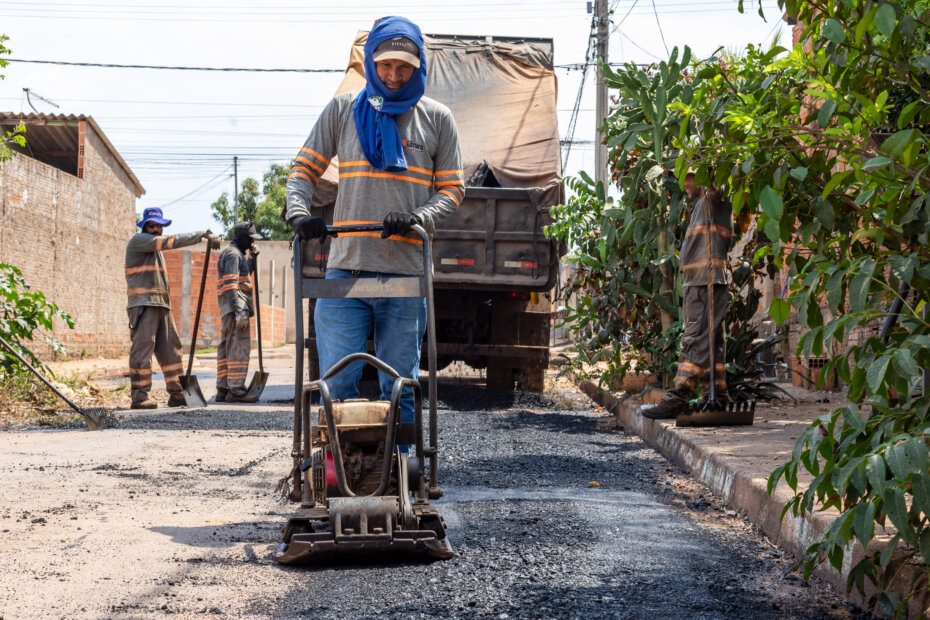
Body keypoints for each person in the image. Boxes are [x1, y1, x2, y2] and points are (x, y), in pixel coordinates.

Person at [285, 16, 463, 429]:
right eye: (385, 65)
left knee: (399, 387)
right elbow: (301, 172)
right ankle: (338, 472)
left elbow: (452, 191)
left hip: (406, 273)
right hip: (345, 271)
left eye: (404, 67)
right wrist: (299, 213)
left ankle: (401, 470)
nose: (394, 75)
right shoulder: (344, 110)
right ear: (371, 63)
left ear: (419, 67)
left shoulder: (437, 119)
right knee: (336, 384)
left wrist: (419, 217)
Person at [641, 174, 732, 420]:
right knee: (712, 343)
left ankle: (679, 396)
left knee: (695, 338)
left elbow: (714, 178)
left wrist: (703, 159)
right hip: (702, 281)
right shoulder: (703, 205)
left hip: (706, 280)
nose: (685, 185)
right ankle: (717, 396)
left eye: (688, 178)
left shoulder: (713, 197)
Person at [125, 207, 220, 409]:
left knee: (172, 351)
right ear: (144, 226)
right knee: (143, 350)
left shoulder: (155, 250)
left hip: (161, 304)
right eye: (152, 225)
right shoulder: (139, 241)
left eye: (159, 226)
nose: (156, 229)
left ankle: (177, 393)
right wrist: (202, 234)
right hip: (143, 304)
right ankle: (140, 396)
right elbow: (172, 241)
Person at [216, 221, 262, 403]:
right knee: (238, 349)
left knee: (226, 348)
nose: (252, 242)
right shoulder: (233, 255)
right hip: (237, 308)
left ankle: (223, 388)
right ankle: (236, 390)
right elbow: (230, 286)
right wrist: (239, 311)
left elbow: (243, 276)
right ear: (240, 237)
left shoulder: (234, 254)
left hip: (230, 309)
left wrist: (252, 259)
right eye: (250, 238)